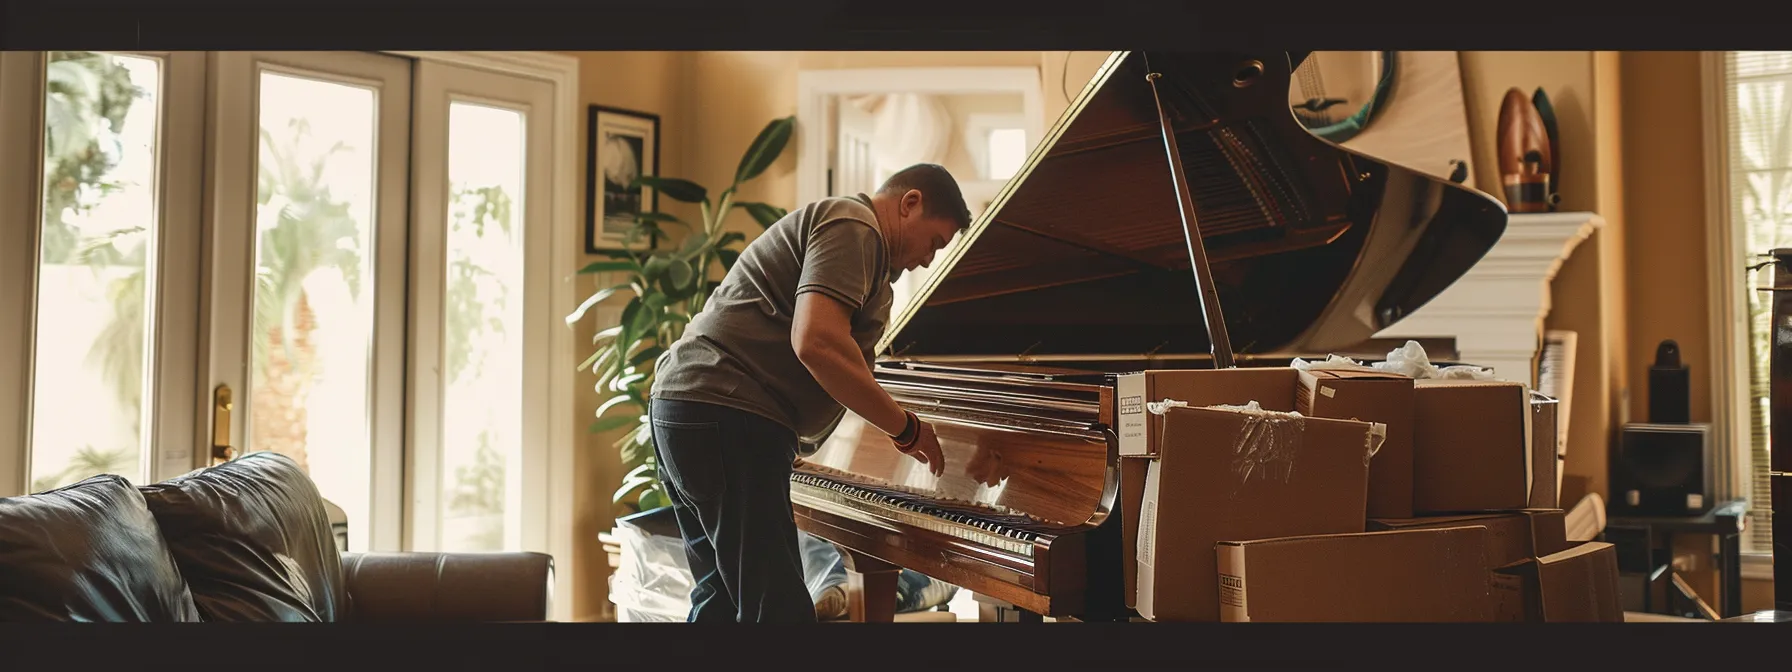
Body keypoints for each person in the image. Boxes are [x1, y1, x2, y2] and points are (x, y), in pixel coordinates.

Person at [648, 163, 973, 623]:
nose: (928, 260)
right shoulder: (855, 226)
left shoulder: (863, 254)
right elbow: (816, 342)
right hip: (727, 411)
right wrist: (905, 428)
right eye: (934, 243)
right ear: (910, 203)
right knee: (778, 612)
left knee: (720, 600)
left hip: (687, 407)